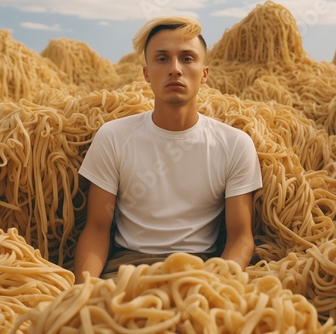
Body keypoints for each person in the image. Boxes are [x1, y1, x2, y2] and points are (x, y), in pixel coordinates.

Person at [73, 16, 262, 284]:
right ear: (147, 74)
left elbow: (240, 237)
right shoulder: (114, 137)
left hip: (201, 270)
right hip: (126, 269)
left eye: (187, 58)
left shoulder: (235, 144)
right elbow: (97, 229)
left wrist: (220, 285)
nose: (175, 69)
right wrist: (82, 292)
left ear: (204, 73)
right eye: (162, 59)